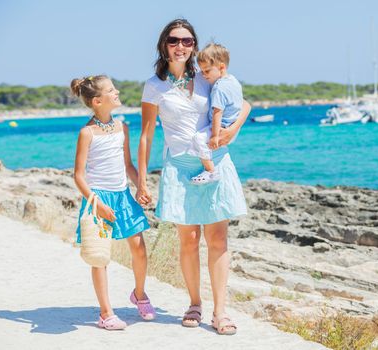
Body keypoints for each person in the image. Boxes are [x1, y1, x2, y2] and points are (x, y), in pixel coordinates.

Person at [136, 19, 250, 335]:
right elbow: (146, 135)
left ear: (194, 45)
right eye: (175, 40)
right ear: (164, 44)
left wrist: (232, 129)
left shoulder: (207, 77)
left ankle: (220, 312)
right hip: (178, 167)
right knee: (188, 240)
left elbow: (245, 104)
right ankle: (195, 303)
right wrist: (142, 180)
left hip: (215, 163)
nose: (181, 46)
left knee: (218, 239)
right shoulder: (153, 85)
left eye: (188, 41)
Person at [71, 75, 155, 330]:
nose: (117, 91)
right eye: (111, 90)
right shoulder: (87, 132)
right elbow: (78, 175)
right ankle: (106, 313)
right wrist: (96, 203)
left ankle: (139, 294)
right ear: (97, 101)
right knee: (99, 256)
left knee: (139, 248)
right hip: (99, 199)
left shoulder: (122, 128)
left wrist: (141, 185)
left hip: (123, 196)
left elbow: (128, 165)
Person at [188, 43, 243, 185]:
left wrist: (214, 136)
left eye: (207, 71)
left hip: (220, 127)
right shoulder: (234, 81)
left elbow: (217, 112)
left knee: (198, 139)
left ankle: (210, 171)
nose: (204, 75)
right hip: (232, 127)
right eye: (202, 71)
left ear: (221, 67)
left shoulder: (219, 87)